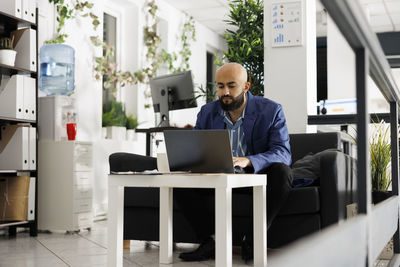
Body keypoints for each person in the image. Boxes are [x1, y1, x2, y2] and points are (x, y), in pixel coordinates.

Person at [176, 62, 293, 262]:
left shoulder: (271, 111)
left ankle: (252, 241)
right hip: (218, 176)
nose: (225, 92)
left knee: (282, 172)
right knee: (179, 180)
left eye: (232, 86)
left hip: (253, 177)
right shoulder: (207, 112)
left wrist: (249, 160)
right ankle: (209, 241)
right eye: (221, 87)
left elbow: (283, 152)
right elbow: (195, 149)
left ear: (246, 87)